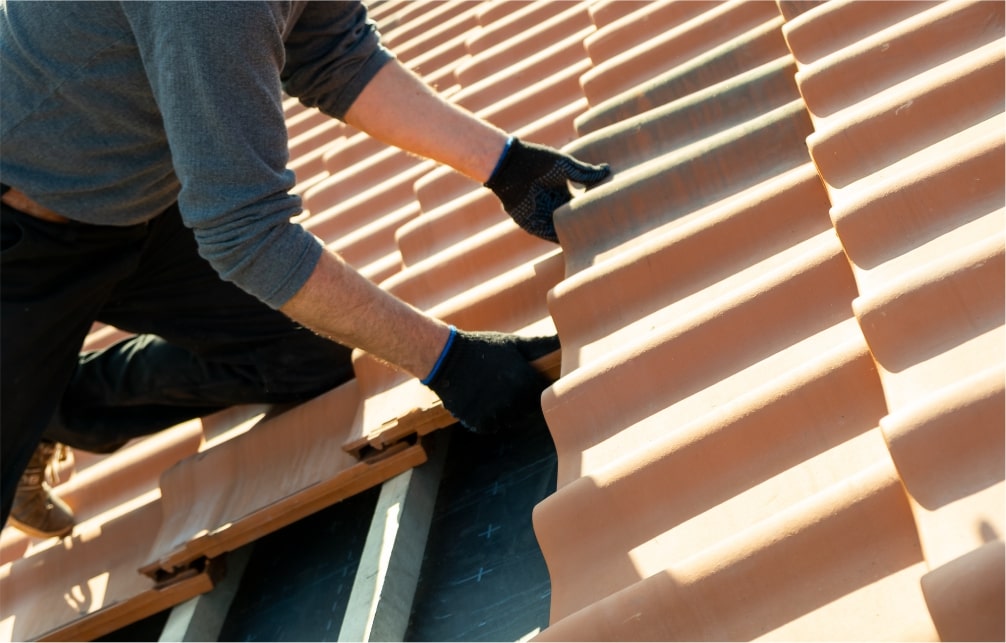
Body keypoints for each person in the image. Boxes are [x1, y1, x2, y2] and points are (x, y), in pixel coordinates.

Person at [0, 1, 610, 538]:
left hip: (128, 199)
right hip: (19, 234)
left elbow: (333, 53)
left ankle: (53, 406)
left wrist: (505, 165)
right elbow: (248, 235)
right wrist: (445, 360)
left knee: (306, 355)